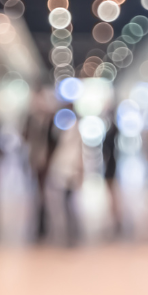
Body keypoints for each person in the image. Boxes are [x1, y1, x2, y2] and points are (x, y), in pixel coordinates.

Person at [22, 90, 57, 243]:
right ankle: (38, 223)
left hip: (45, 160)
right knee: (36, 193)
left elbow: (53, 141)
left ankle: (45, 223)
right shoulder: (30, 119)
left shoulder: (51, 120)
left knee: (44, 193)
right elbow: (25, 136)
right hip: (34, 158)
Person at [48, 105, 84, 246]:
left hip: (70, 171)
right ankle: (66, 233)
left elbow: (79, 154)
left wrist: (80, 171)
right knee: (63, 204)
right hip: (62, 170)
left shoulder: (75, 134)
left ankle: (72, 233)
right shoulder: (62, 132)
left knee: (69, 204)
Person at [100, 113, 123, 238]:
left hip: (110, 167)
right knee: (112, 194)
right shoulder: (113, 133)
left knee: (112, 194)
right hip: (110, 165)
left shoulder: (112, 133)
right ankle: (115, 218)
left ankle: (116, 218)